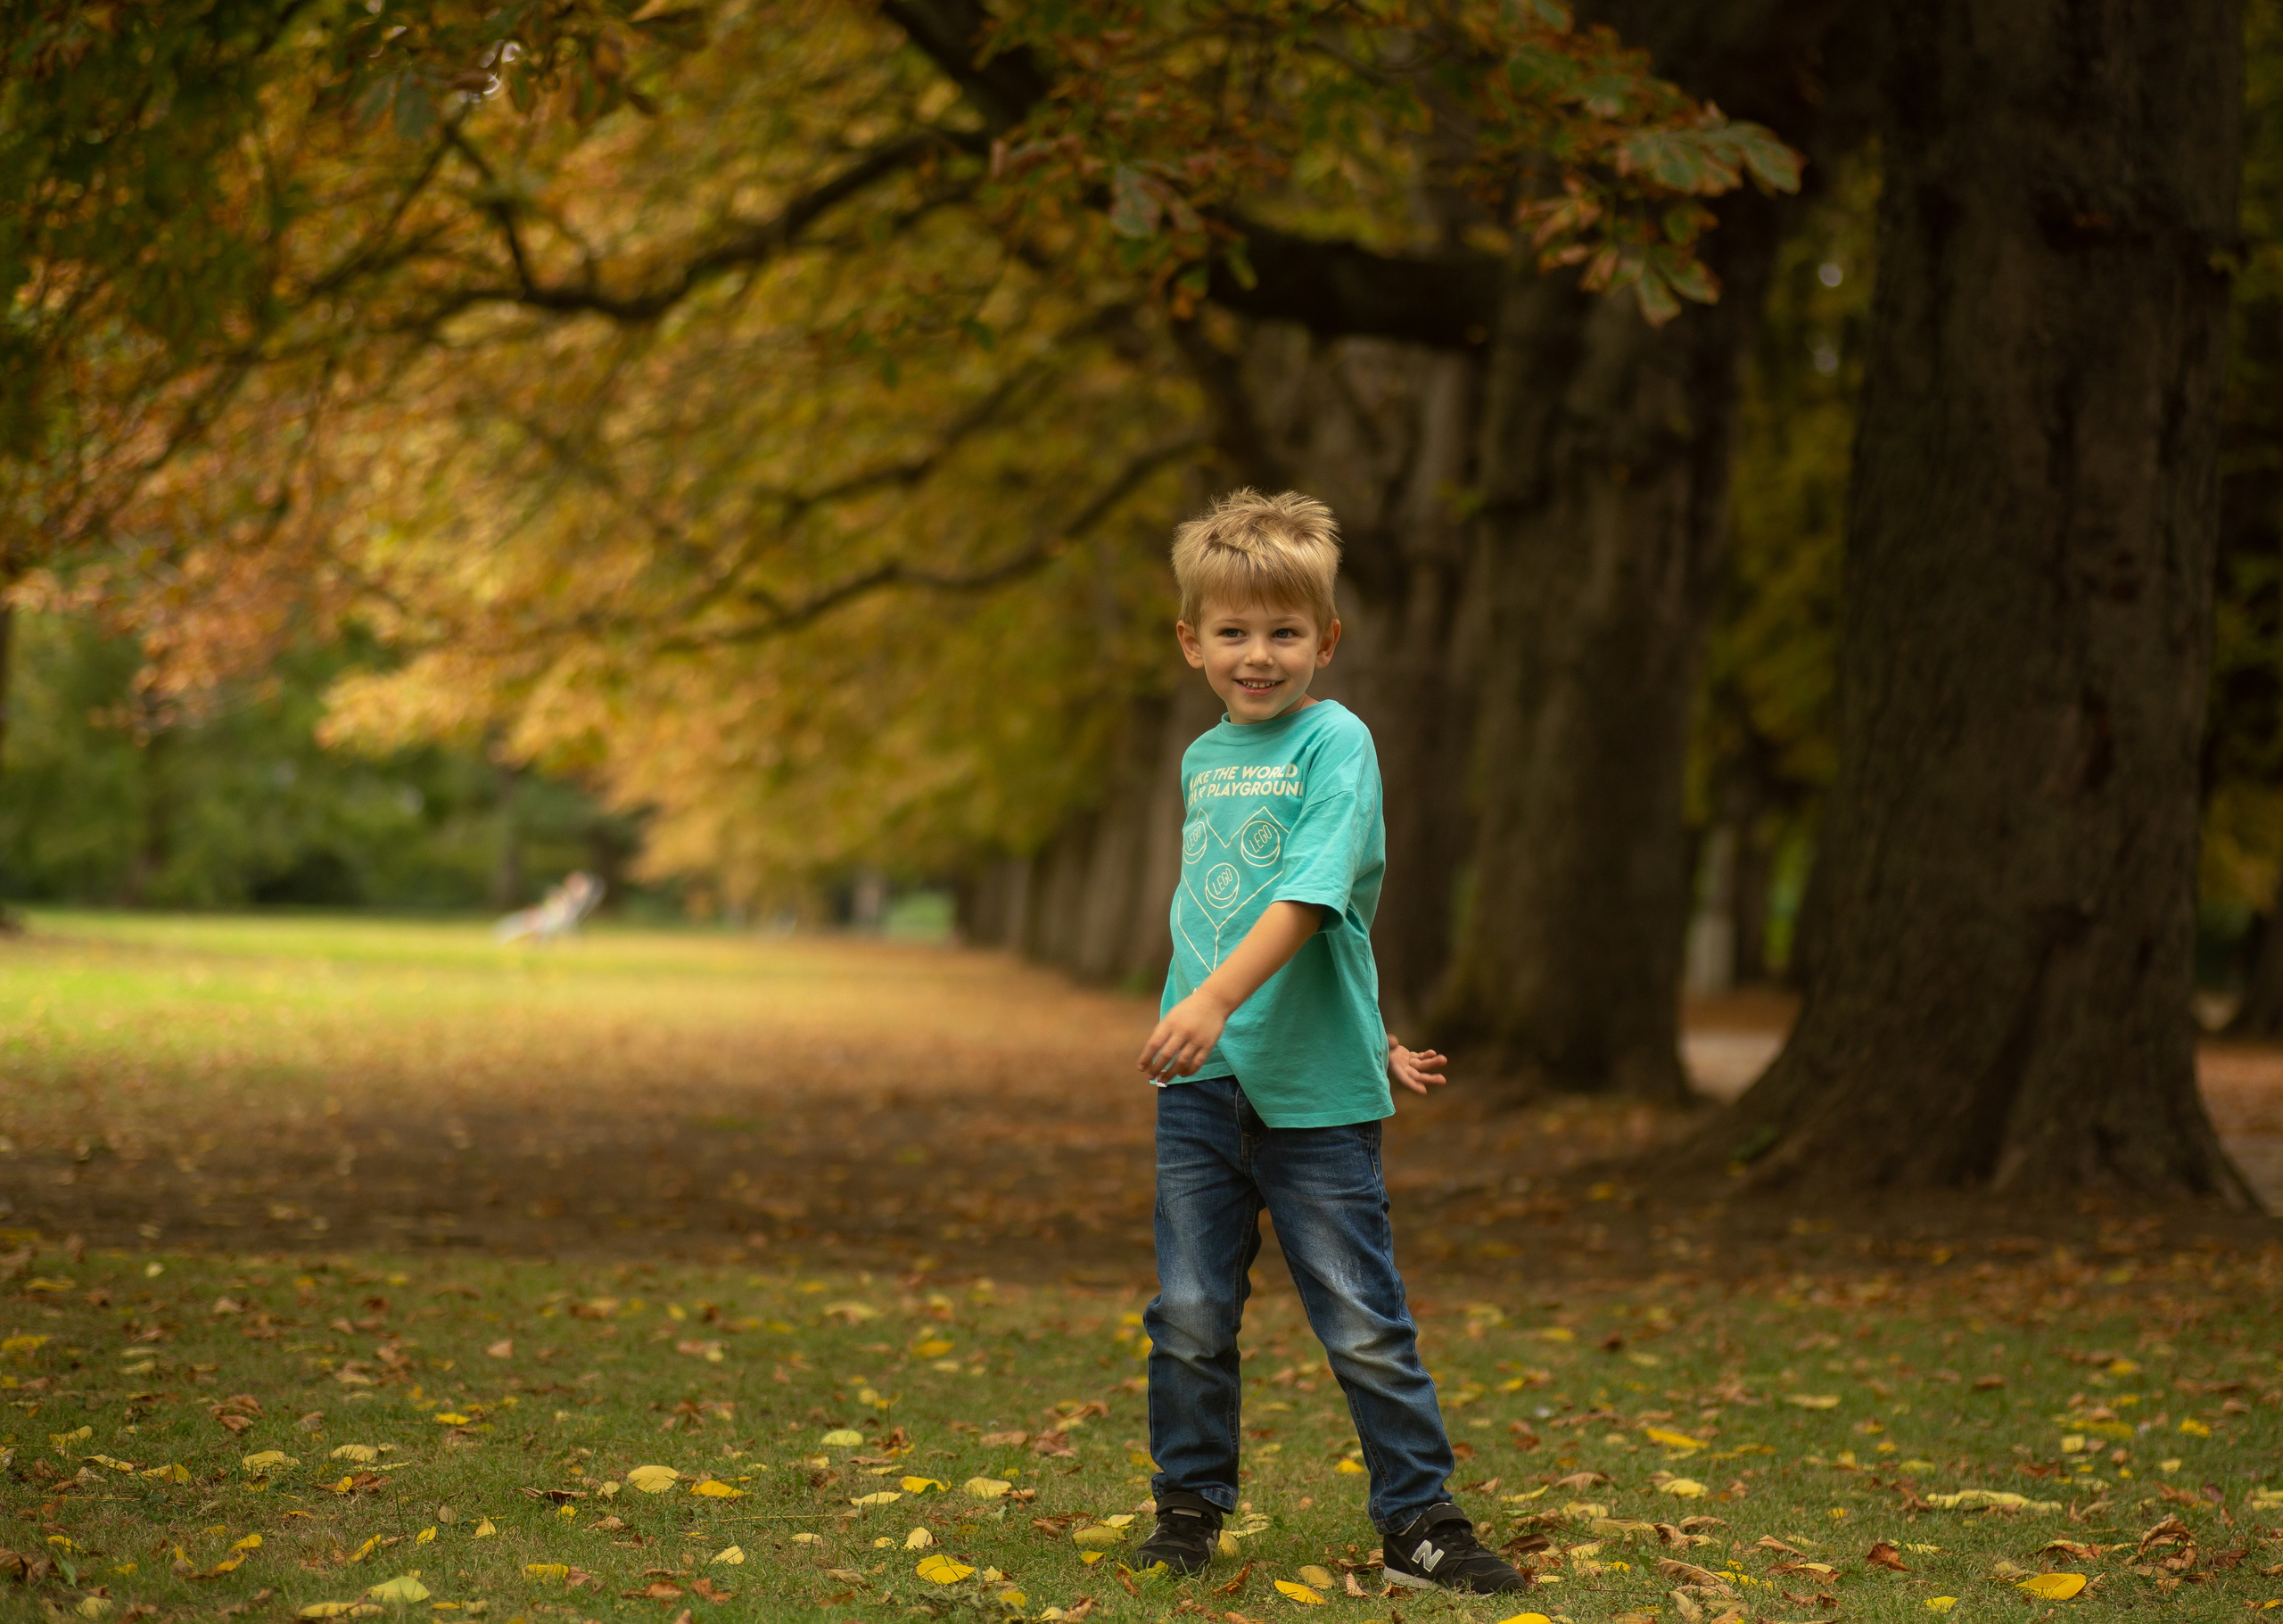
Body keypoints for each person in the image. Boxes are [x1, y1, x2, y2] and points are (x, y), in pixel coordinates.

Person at [1130, 490, 1525, 1595]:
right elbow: (1242, 905)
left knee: (1359, 1318)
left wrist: (1214, 1002)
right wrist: (1370, 1026)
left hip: (1311, 1102)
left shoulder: (1338, 741)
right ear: (1192, 643)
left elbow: (1311, 898)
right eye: (1234, 632)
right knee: (1192, 1316)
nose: (1260, 656)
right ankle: (1188, 1508)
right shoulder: (1205, 758)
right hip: (1203, 1091)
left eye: (1285, 632)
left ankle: (1420, 1524)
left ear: (1327, 641)